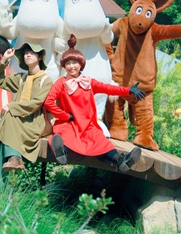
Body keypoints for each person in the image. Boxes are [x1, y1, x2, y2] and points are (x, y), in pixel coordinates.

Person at [44, 35, 146, 173]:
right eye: (67, 63)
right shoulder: (61, 82)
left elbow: (108, 88)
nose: (71, 66)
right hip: (69, 122)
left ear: (81, 64)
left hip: (87, 124)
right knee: (65, 135)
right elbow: (49, 102)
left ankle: (121, 160)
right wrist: (65, 116)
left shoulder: (89, 82)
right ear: (64, 66)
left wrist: (128, 90)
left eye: (74, 62)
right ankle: (61, 152)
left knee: (99, 139)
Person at [0, 43, 53, 171]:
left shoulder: (46, 80)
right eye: (26, 53)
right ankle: (14, 159)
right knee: (10, 118)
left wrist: (12, 106)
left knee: (9, 118)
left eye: (32, 53)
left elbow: (36, 103)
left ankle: (8, 156)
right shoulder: (21, 78)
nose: (28, 55)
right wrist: (4, 60)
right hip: (17, 119)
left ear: (39, 57)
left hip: (34, 122)